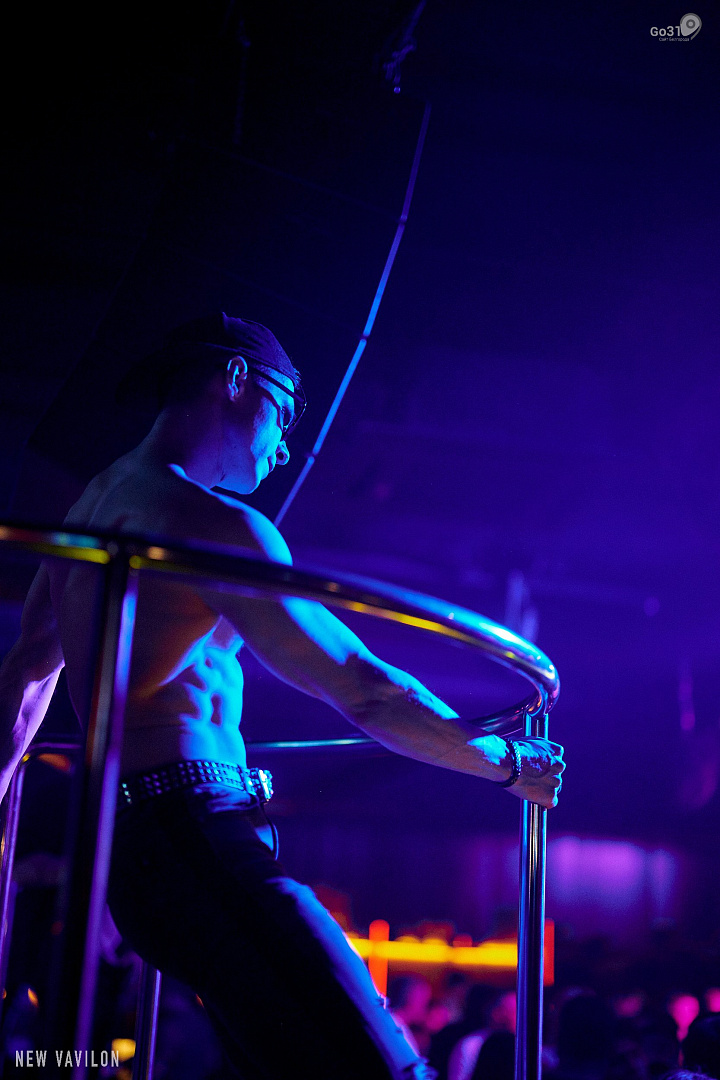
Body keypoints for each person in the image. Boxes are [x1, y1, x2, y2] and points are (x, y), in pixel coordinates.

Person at [0, 313, 565, 1079]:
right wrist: (504, 762)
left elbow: (24, 682)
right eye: (286, 411)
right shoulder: (211, 523)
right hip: (194, 836)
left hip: (132, 850)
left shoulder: (89, 512)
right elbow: (362, 688)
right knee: (385, 1069)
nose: (286, 445)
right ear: (235, 379)